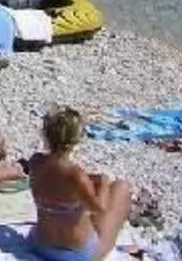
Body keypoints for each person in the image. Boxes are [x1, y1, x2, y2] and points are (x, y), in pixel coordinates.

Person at [27, 107, 133, 261]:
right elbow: (100, 209)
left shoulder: (35, 162)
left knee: (78, 203)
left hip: (41, 245)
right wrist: (103, 182)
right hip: (76, 255)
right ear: (77, 138)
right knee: (121, 188)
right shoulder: (75, 174)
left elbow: (57, 179)